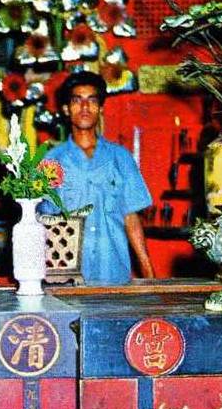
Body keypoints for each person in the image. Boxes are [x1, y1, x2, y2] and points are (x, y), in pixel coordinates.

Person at [42, 71, 155, 284]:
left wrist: (150, 275)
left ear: (101, 108)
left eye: (92, 101)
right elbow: (43, 222)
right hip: (67, 279)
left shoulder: (120, 157)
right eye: (77, 100)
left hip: (113, 275)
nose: (85, 108)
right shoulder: (51, 161)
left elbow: (131, 219)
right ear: (66, 109)